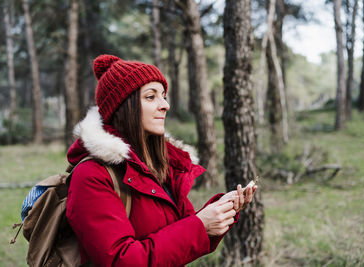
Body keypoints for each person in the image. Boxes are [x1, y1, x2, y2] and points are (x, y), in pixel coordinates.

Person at [66, 54, 258, 266]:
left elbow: (179, 245)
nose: (165, 105)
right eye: (151, 97)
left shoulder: (161, 166)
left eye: (163, 96)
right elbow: (122, 260)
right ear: (123, 107)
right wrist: (199, 225)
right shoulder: (92, 176)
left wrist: (220, 212)